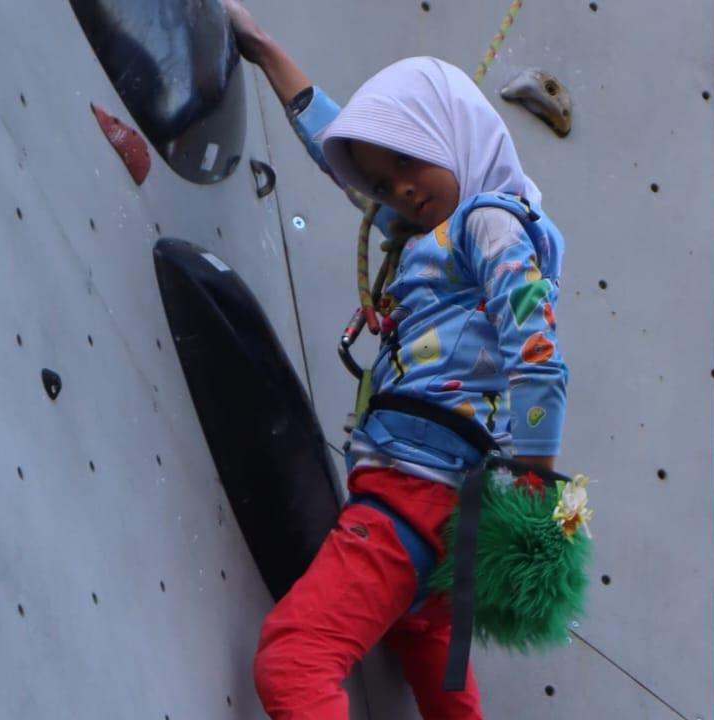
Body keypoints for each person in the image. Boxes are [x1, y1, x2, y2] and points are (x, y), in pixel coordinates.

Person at [226, 3, 569, 718]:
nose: (401, 190)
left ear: (455, 135)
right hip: (453, 525)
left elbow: (534, 346)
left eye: (410, 162)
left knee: (294, 660)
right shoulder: (431, 231)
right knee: (444, 687)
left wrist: (537, 473)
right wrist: (261, 48)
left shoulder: (486, 221)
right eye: (387, 185)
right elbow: (339, 155)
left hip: (417, 498)